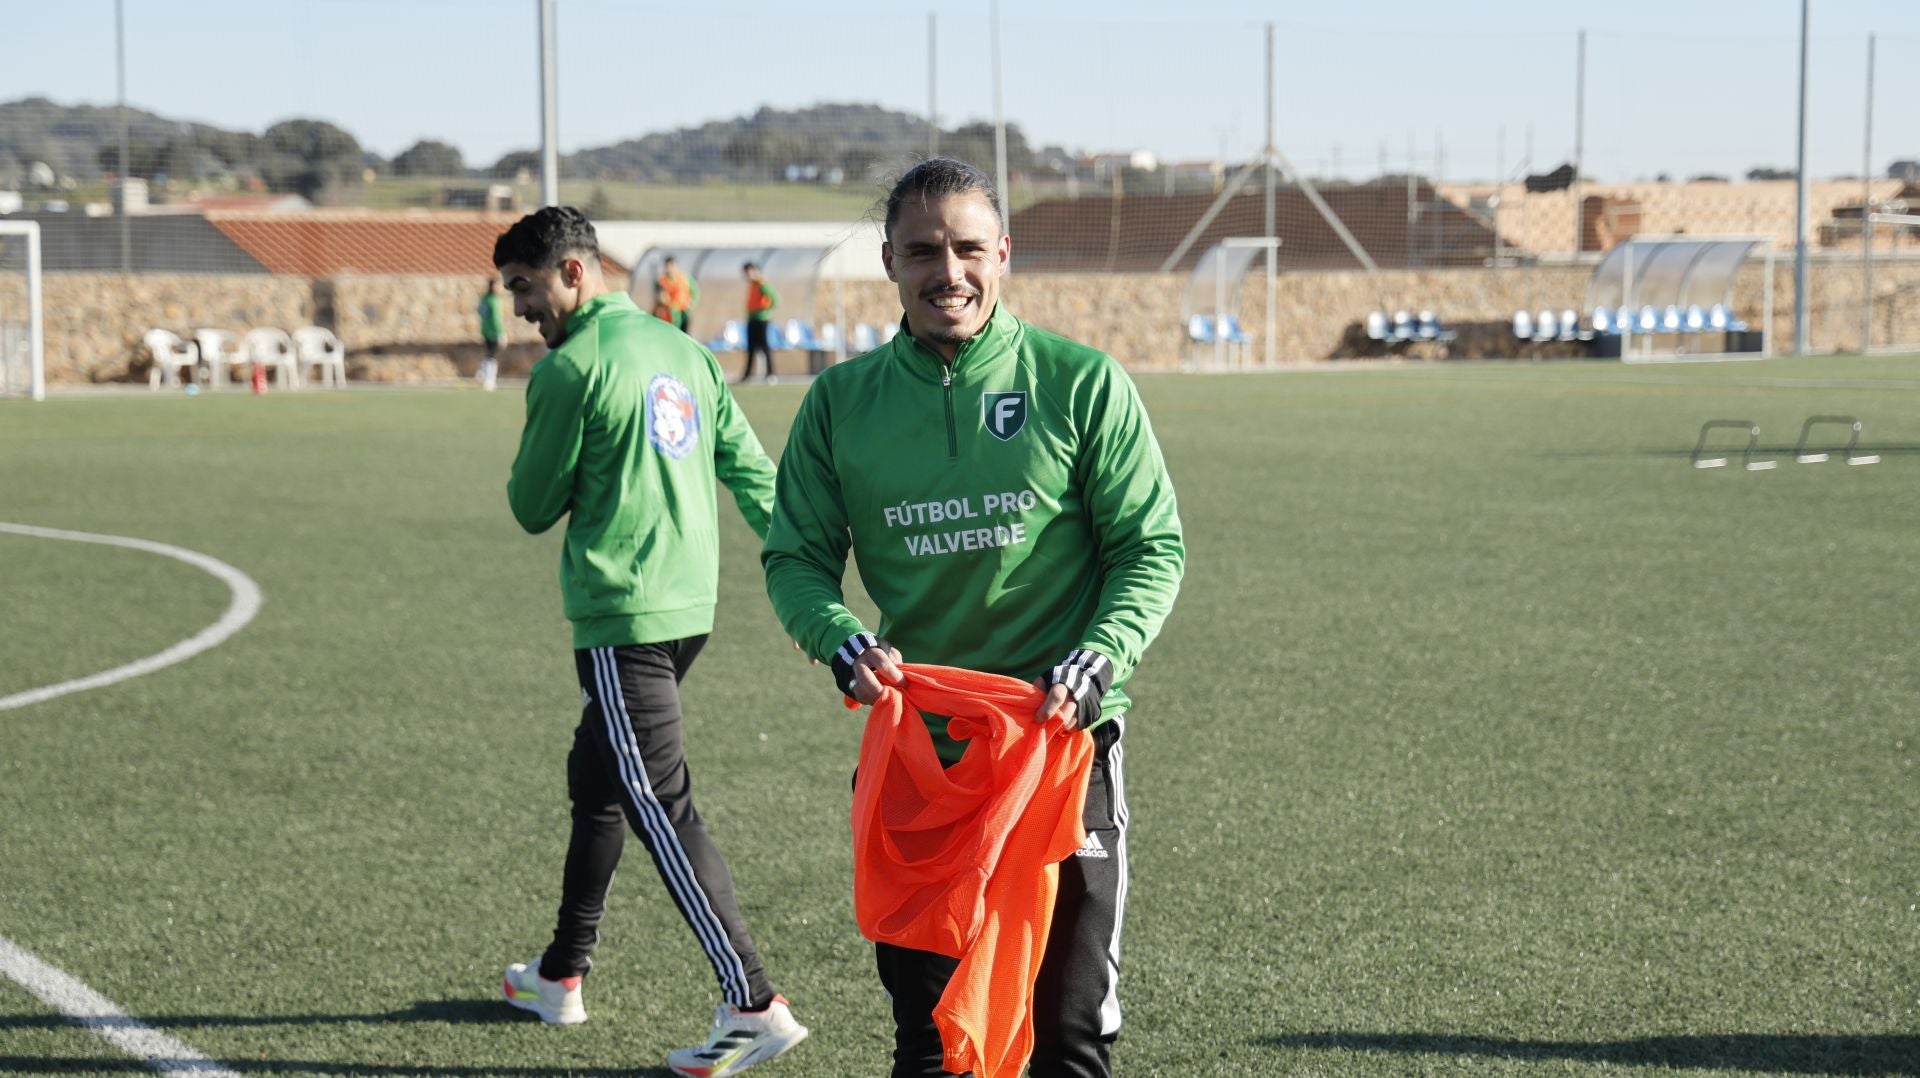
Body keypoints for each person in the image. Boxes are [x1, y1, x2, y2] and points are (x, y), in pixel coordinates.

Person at [761, 158, 1184, 1078]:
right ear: (889, 264)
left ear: (1003, 254)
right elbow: (795, 558)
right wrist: (841, 640)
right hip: (925, 758)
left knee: (1067, 1038)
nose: (945, 271)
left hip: (1062, 746)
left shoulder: (1082, 383)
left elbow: (1151, 548)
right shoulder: (841, 404)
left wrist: (1102, 656)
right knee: (932, 1038)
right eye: (921, 251)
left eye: (965, 249)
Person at [494, 206, 808, 1078]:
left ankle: (753, 1001)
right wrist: (805, 578)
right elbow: (752, 471)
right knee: (596, 781)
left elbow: (529, 506)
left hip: (622, 617)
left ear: (571, 273)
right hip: (687, 612)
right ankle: (561, 973)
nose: (520, 308)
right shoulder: (685, 351)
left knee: (658, 805)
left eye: (524, 287)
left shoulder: (572, 369)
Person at [741, 261, 779, 383]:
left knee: (764, 346)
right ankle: (747, 375)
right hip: (752, 319)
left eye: (749, 271)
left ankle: (771, 374)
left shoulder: (761, 283)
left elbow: (775, 298)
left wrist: (766, 311)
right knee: (751, 347)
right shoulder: (752, 285)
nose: (747, 274)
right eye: (746, 272)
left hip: (761, 319)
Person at [476, 276, 505, 390]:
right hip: (493, 331)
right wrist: (501, 333)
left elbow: (480, 312)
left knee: (489, 354)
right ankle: (489, 380)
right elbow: (496, 318)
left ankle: (482, 373)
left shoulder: (484, 299)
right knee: (492, 356)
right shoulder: (494, 300)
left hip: (485, 330)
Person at [658, 255, 699, 335]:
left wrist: (692, 303)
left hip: (684, 312)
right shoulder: (662, 281)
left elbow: (695, 291)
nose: (670, 269)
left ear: (676, 266)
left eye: (672, 265)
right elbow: (660, 296)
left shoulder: (685, 278)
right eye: (668, 266)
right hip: (670, 314)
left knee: (684, 335)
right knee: (671, 334)